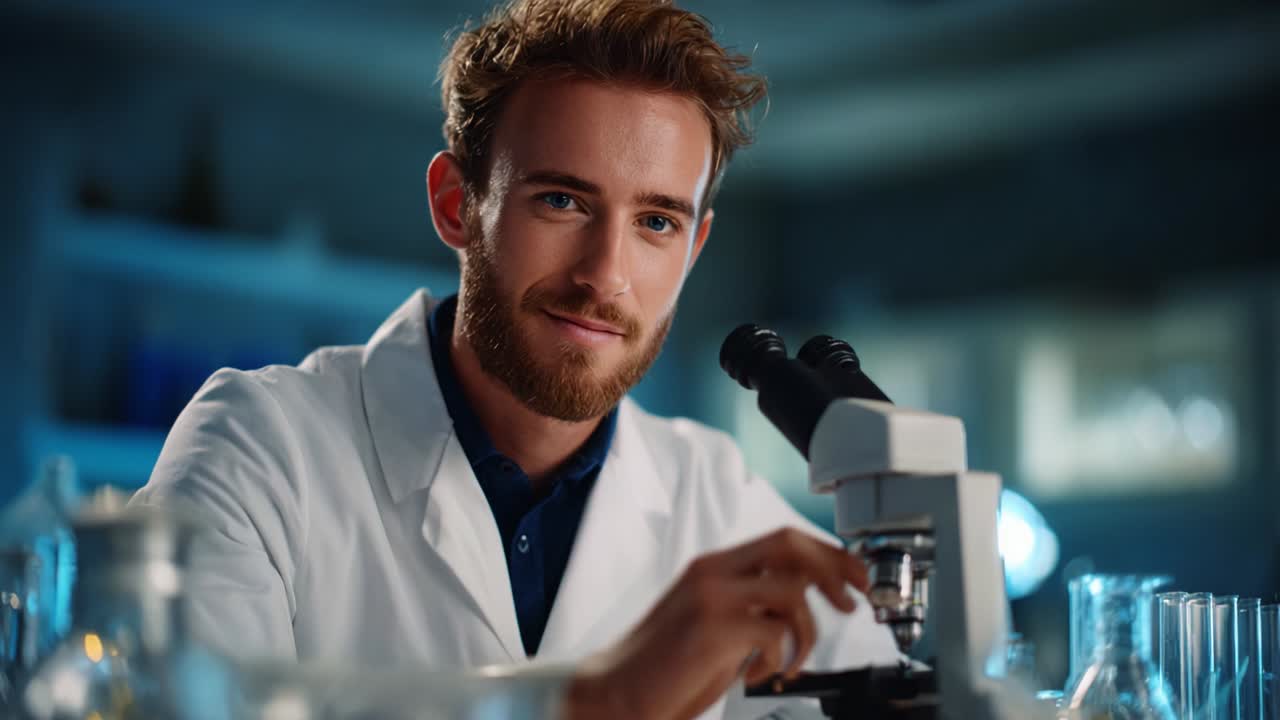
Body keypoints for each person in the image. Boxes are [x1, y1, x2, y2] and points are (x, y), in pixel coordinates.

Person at [130, 0, 902, 717]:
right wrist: (596, 701)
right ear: (456, 203)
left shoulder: (717, 497)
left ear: (695, 246)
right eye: (561, 201)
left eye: (657, 222)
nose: (605, 273)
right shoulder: (258, 448)